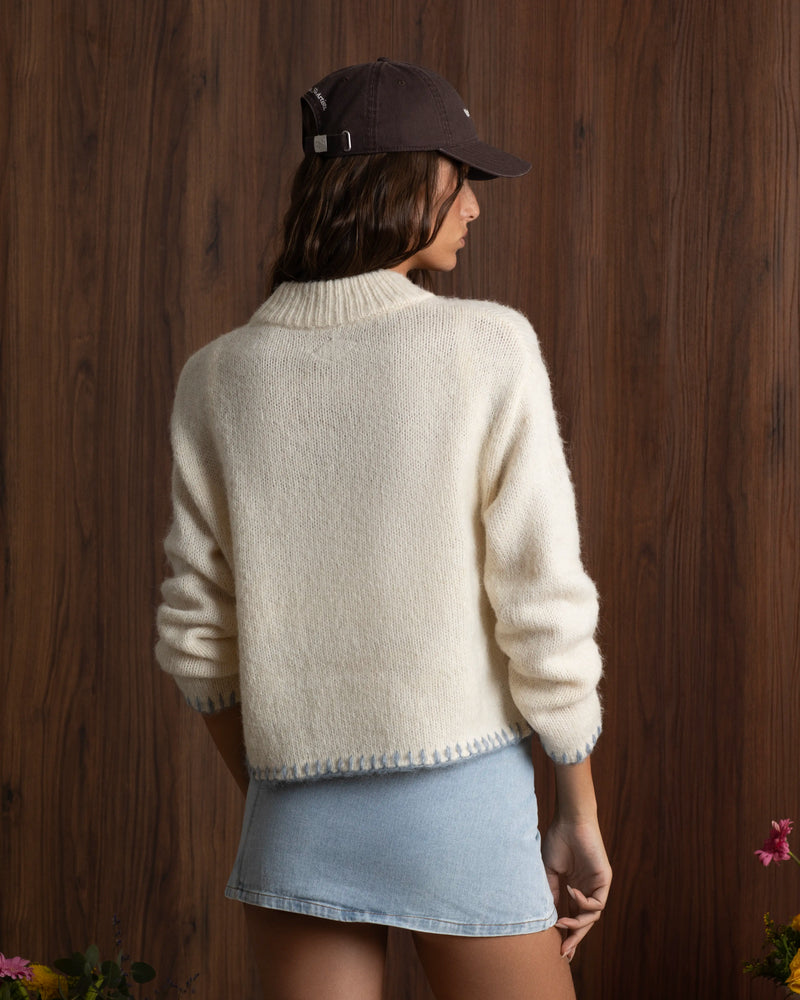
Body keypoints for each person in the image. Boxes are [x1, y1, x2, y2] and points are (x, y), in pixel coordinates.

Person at [156, 58, 611, 1000]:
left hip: (292, 817)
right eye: (460, 176)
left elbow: (198, 643)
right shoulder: (488, 349)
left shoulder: (217, 377)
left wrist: (289, 786)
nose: (474, 205)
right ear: (403, 179)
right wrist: (577, 812)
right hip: (461, 807)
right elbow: (542, 606)